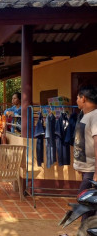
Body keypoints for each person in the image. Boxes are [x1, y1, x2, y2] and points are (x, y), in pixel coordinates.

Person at [73, 85, 97, 221]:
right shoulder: (85, 116)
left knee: (85, 204)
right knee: (87, 205)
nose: (76, 100)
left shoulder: (95, 116)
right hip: (87, 169)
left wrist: (96, 172)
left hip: (92, 170)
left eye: (77, 97)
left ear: (83, 98)